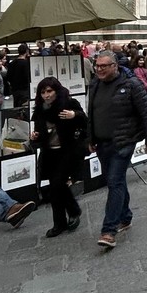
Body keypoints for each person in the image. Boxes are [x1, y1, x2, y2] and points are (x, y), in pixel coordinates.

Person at [86, 49, 147, 249]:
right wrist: (90, 137)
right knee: (115, 181)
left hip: (123, 142)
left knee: (114, 182)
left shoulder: (131, 85)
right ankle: (125, 216)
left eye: (103, 66)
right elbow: (91, 113)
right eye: (97, 66)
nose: (99, 69)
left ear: (114, 66)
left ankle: (108, 230)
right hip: (102, 143)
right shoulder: (95, 85)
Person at [30, 75, 89, 238]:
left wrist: (74, 115)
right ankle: (63, 220)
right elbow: (40, 134)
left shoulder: (69, 104)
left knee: (57, 184)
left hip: (68, 151)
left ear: (57, 91)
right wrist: (35, 136)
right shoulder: (40, 110)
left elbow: (85, 121)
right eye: (43, 92)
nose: (46, 95)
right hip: (50, 153)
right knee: (56, 188)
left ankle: (67, 217)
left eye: (49, 91)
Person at [5, 43, 32, 110]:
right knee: (24, 108)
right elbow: (28, 77)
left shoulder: (12, 63)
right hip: (25, 89)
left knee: (16, 107)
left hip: (15, 89)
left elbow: (8, 77)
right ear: (26, 51)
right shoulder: (27, 63)